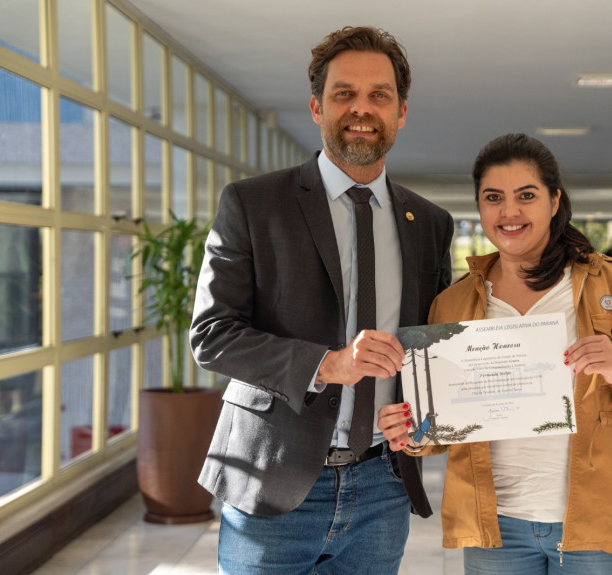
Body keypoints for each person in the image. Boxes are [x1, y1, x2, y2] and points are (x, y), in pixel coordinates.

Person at [190, 26, 454, 574]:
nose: (362, 108)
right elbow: (212, 335)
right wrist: (327, 364)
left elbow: (434, 347)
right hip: (273, 478)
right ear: (317, 106)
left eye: (379, 95)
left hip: (384, 484)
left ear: (401, 112)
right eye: (344, 94)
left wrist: (435, 420)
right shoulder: (252, 203)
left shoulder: (429, 223)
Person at [379, 133, 612, 574]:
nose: (509, 212)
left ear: (555, 201)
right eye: (493, 197)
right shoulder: (453, 304)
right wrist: (409, 432)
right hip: (496, 528)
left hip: (602, 524)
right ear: (480, 207)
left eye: (526, 195)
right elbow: (440, 428)